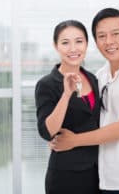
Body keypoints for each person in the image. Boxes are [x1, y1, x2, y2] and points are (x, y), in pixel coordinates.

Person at [51, 8, 119, 194]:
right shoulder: (100, 76)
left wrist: (74, 141)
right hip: (105, 179)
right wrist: (58, 138)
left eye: (115, 34)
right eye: (101, 36)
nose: (108, 42)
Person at [35, 20, 101, 194]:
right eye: (65, 42)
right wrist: (66, 94)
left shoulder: (94, 80)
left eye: (79, 41)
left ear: (87, 44)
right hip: (66, 177)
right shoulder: (47, 84)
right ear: (56, 46)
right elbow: (46, 131)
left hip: (99, 174)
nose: (73, 48)